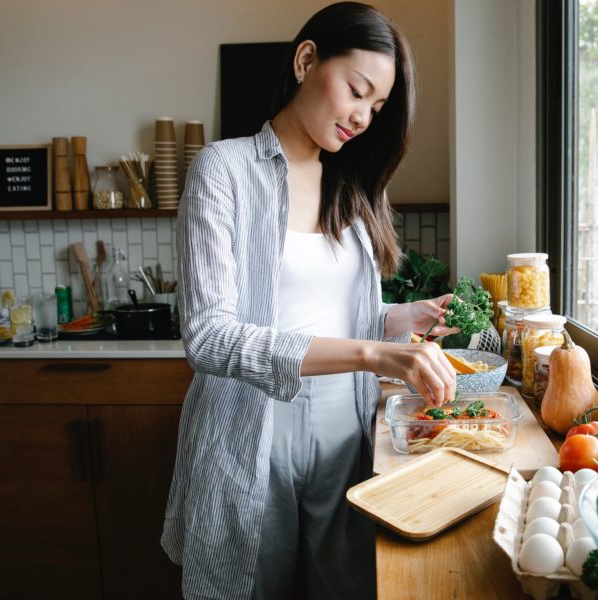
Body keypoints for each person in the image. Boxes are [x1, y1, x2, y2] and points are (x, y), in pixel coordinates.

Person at [161, 3, 458, 598]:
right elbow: (210, 336)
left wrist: (403, 321)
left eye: (376, 108)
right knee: (248, 586)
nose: (363, 117)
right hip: (248, 430)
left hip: (344, 433)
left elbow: (336, 317)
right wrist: (375, 354)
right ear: (306, 60)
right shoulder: (223, 171)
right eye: (357, 90)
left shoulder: (352, 190)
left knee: (343, 587)